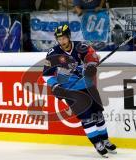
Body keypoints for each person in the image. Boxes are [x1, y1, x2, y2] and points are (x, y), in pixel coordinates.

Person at [42, 24, 116, 157]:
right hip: (71, 91)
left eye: (64, 38)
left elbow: (93, 57)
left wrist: (92, 66)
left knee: (98, 115)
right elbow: (46, 75)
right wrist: (55, 86)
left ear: (69, 36)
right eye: (59, 39)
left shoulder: (81, 46)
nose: (62, 41)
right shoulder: (53, 53)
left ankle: (105, 140)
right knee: (87, 118)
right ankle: (97, 143)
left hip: (88, 86)